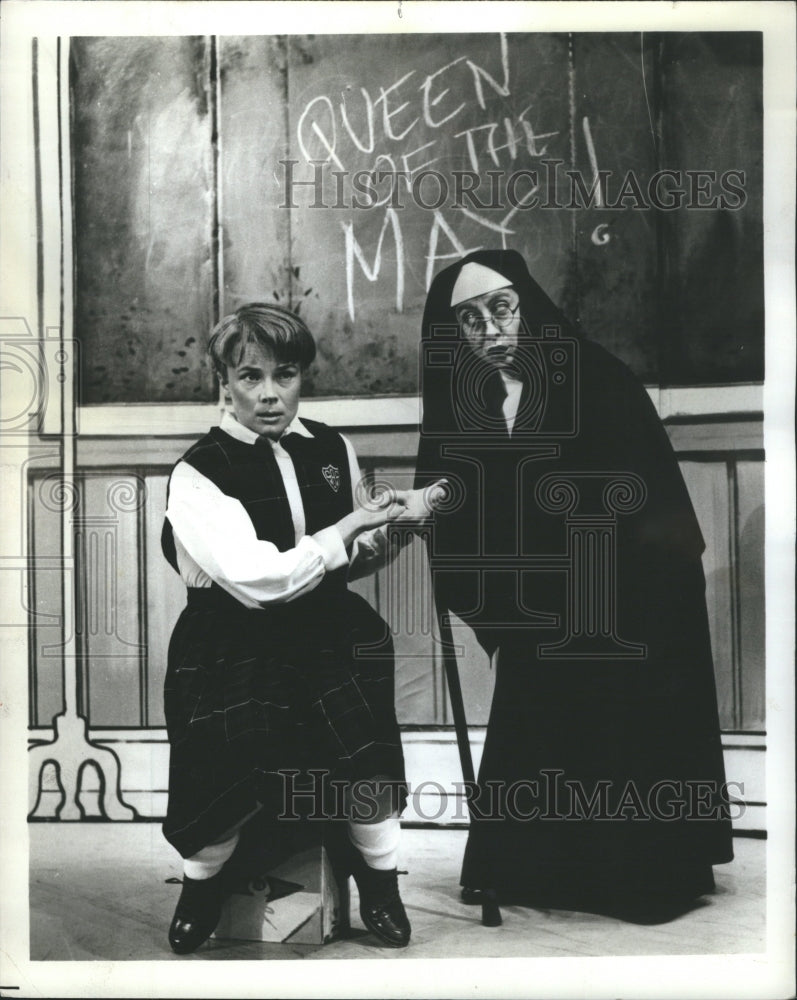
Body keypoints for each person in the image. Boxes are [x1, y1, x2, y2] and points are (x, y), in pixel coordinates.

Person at [415, 250, 734, 924]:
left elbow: (636, 513)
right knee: (538, 692)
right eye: (469, 320)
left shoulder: (597, 380)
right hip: (542, 601)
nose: (488, 327)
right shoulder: (468, 400)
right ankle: (533, 866)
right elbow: (462, 485)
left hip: (630, 596)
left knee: (615, 714)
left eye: (500, 306)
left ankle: (641, 876)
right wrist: (430, 506)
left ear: (527, 303)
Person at [161, 302, 438, 953]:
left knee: (365, 767)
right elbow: (262, 582)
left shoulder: (330, 447)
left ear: (302, 376)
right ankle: (201, 884)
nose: (267, 394)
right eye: (249, 376)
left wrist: (394, 532)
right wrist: (351, 526)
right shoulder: (198, 471)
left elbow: (338, 565)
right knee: (220, 777)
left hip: (325, 630)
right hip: (232, 640)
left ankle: (379, 884)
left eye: (283, 375)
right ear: (222, 381)